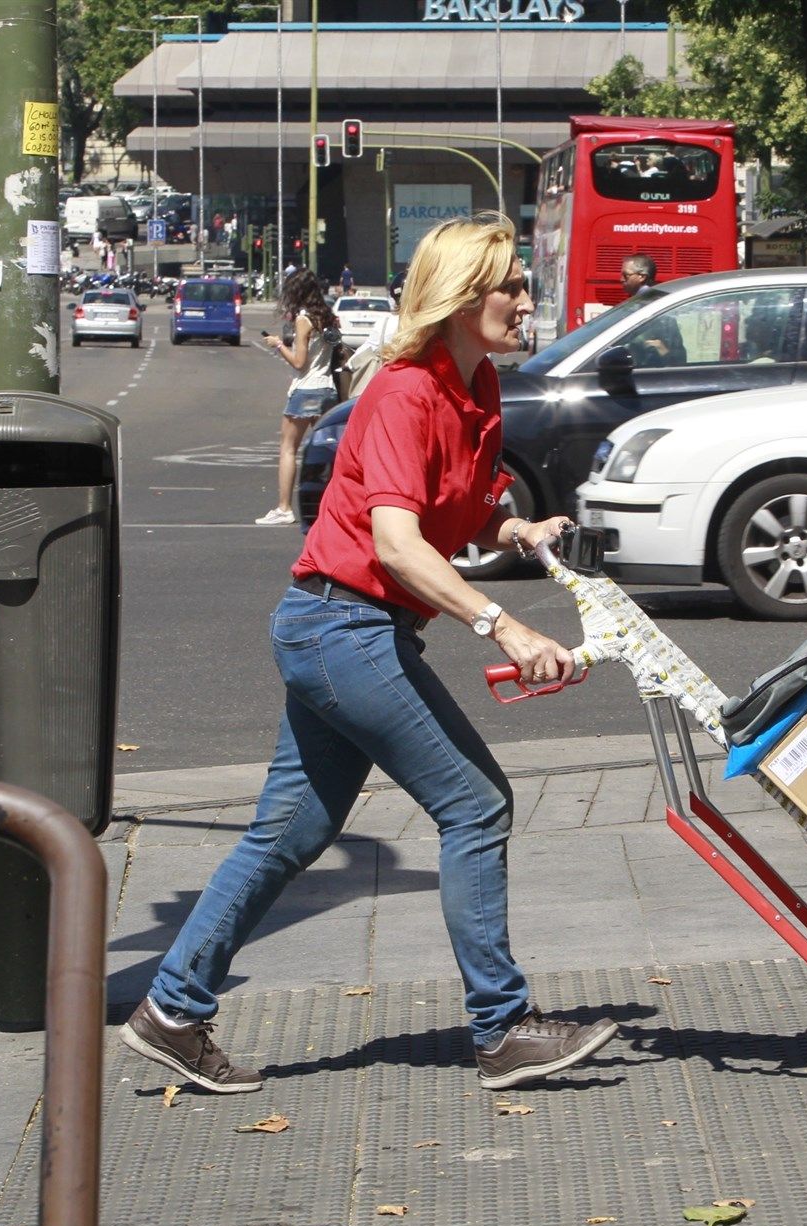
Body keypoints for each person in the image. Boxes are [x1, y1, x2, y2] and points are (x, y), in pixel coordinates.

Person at [121, 211, 618, 1096]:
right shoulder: (403, 395)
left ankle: (172, 1009)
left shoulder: (476, 392)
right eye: (509, 285)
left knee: (290, 833)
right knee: (476, 807)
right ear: (465, 298)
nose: (524, 299)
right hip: (339, 627)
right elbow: (395, 543)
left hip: (355, 631)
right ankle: (502, 1030)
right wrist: (503, 625)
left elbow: (453, 518)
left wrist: (518, 526)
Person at [255, 269, 342, 526]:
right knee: (328, 451)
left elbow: (300, 362)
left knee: (288, 448)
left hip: (305, 390)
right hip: (328, 390)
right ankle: (334, 505)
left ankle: (284, 508)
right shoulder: (328, 317)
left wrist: (279, 344)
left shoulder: (304, 320)